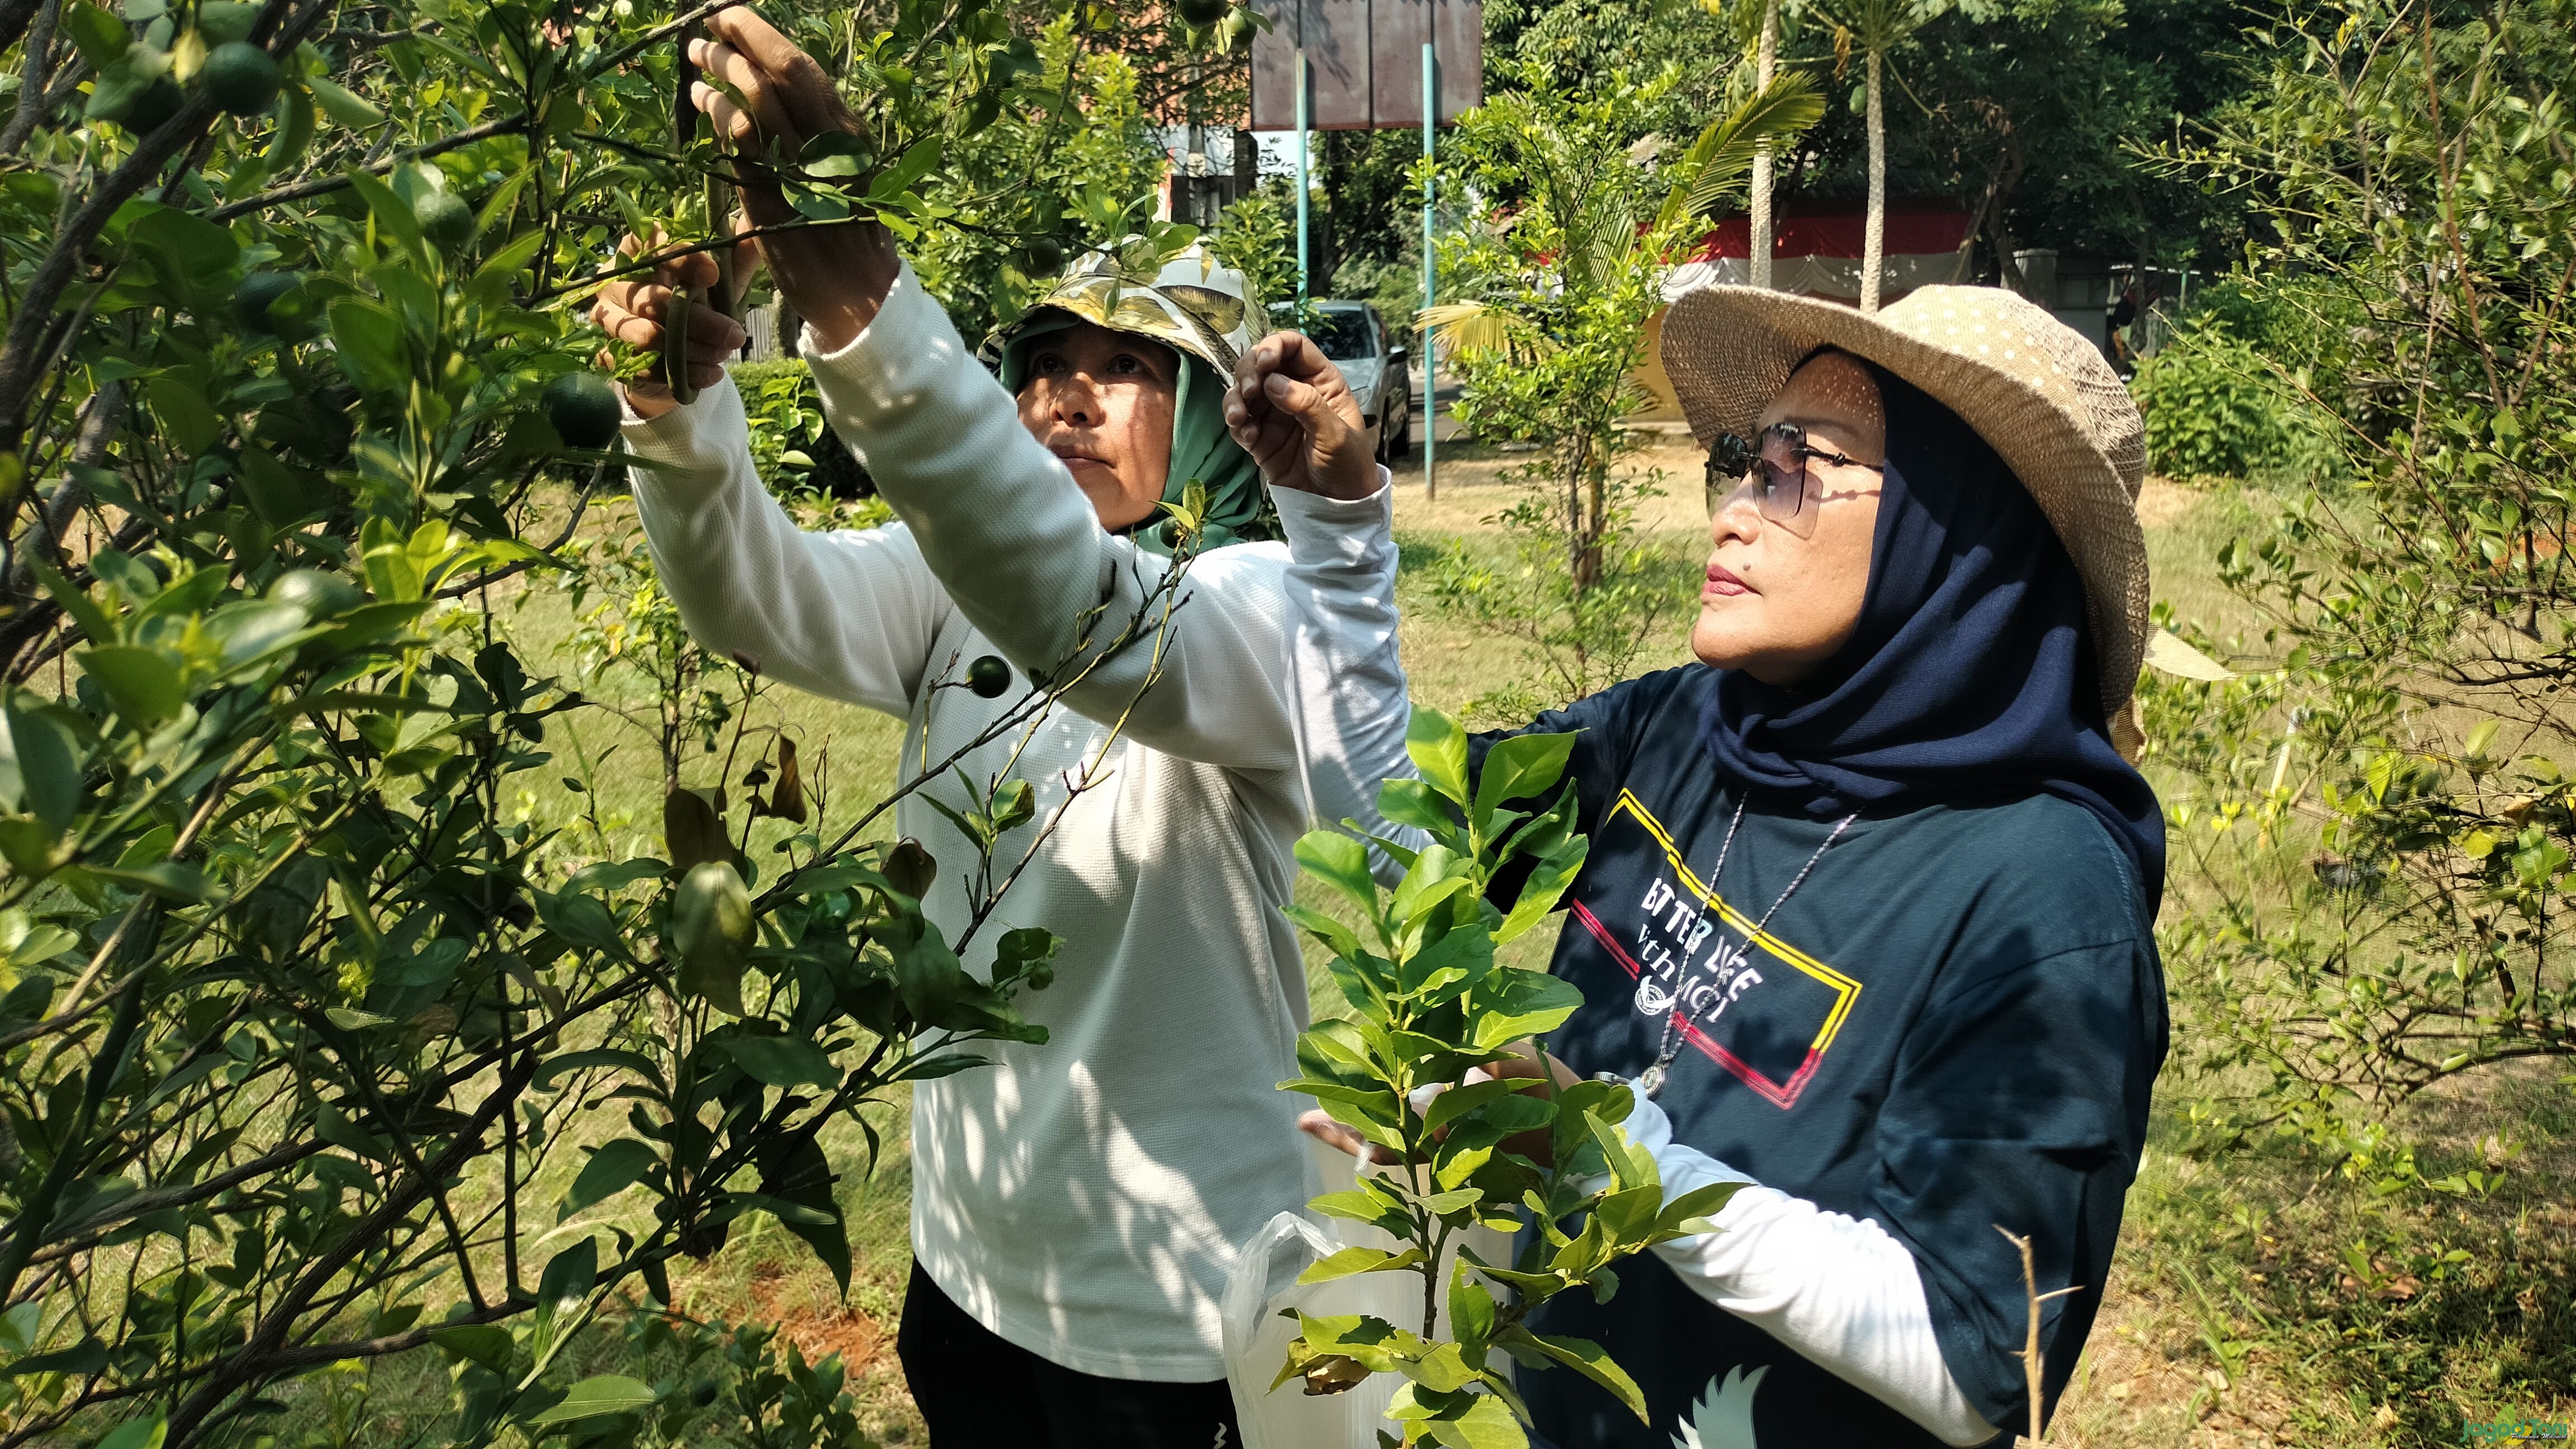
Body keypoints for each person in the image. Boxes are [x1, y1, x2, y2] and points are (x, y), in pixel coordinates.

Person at [585, 11, 1403, 1444]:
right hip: (969, 1265)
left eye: (1130, 367)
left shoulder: (1267, 612)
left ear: (1216, 417)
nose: (1070, 394)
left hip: (1172, 1318)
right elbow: (753, 600)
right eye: (1045, 363)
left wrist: (850, 278)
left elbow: (1073, 610)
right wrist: (676, 408)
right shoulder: (949, 585)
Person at [1303, 283, 2170, 1448]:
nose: (1730, 513)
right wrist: (1338, 532)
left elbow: (1972, 1359)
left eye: (1793, 472)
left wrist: (1612, 1154)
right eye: (1744, 463)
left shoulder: (2041, 893)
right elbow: (1389, 847)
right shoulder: (1689, 730)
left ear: (1953, 524)